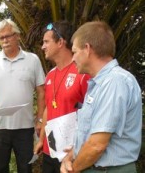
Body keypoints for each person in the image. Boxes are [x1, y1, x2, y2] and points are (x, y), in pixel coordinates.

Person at [60, 21, 142, 173]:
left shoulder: (114, 82)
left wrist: (73, 169)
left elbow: (97, 145)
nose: (72, 59)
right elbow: (90, 135)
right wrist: (70, 156)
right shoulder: (100, 84)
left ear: (87, 49)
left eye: (75, 52)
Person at [0, 19, 45, 173]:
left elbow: (42, 91)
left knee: (25, 168)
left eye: (8, 36)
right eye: (1, 37)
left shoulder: (32, 60)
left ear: (17, 36)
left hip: (25, 127)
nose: (5, 40)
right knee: (0, 169)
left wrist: (41, 119)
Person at [33, 21, 90, 173]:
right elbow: (48, 109)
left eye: (46, 41)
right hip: (49, 150)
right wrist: (41, 139)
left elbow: (91, 114)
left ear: (60, 42)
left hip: (70, 153)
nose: (43, 46)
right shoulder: (50, 75)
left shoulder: (82, 73)